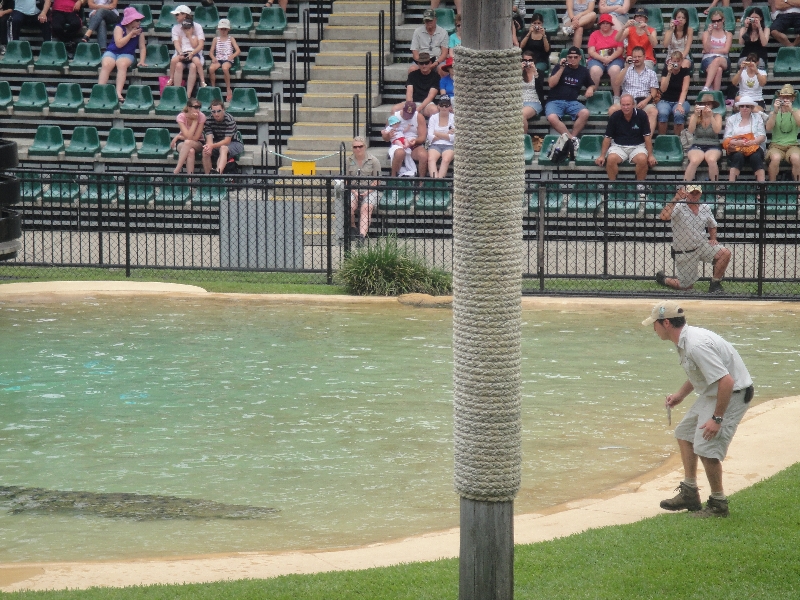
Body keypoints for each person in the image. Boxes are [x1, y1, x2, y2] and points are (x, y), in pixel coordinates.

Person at [643, 299, 753, 518]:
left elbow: (727, 381)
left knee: (706, 446)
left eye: (654, 324)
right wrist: (680, 396)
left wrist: (717, 419)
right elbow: (701, 373)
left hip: (732, 394)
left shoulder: (695, 344)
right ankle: (690, 492)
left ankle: (718, 505)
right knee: (684, 434)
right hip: (714, 392)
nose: (652, 329)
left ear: (665, 323)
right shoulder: (684, 340)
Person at [655, 185, 731, 292]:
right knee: (685, 287)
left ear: (700, 193)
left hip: (702, 245)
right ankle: (664, 279)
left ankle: (715, 283)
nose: (694, 196)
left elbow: (712, 224)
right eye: (692, 193)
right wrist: (676, 199)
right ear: (687, 193)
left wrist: (713, 238)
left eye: (697, 193)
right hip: (685, 251)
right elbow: (663, 217)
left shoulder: (705, 207)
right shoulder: (679, 206)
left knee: (725, 253)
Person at [596, 93, 656, 183]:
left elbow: (647, 137)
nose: (625, 107)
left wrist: (650, 156)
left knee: (643, 159)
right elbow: (607, 137)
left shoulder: (642, 115)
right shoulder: (615, 116)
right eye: (623, 105)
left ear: (633, 105)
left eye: (628, 104)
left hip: (638, 146)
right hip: (618, 146)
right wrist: (602, 156)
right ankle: (613, 185)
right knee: (611, 159)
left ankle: (640, 185)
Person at [546, 46, 595, 146]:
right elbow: (551, 84)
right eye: (570, 57)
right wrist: (561, 68)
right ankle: (571, 139)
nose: (572, 59)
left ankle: (572, 138)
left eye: (575, 57)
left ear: (580, 58)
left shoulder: (583, 70)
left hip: (572, 101)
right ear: (567, 57)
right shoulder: (559, 67)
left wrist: (590, 89)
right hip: (555, 100)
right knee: (551, 117)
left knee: (585, 113)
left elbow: (591, 84)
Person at [98, 6, 147, 104]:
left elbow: (142, 47)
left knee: (122, 64)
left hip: (127, 54)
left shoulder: (140, 31)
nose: (139, 22)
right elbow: (119, 44)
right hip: (112, 51)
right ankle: (99, 91)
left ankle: (118, 92)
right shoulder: (119, 27)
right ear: (130, 21)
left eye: (139, 20)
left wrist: (142, 60)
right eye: (137, 20)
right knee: (107, 64)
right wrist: (130, 34)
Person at [608, 46, 658, 135]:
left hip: (643, 101)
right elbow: (616, 83)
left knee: (653, 111)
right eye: (635, 57)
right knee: (612, 110)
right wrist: (627, 67)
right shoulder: (625, 70)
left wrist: (645, 101)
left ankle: (647, 140)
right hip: (627, 102)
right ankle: (617, 137)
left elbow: (654, 92)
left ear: (644, 56)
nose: (637, 59)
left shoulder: (651, 73)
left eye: (639, 57)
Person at [346, 136, 382, 242]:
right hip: (353, 189)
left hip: (370, 189)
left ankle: (362, 235)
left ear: (365, 147)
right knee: (350, 207)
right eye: (355, 147)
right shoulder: (348, 160)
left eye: (360, 146)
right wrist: (353, 190)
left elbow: (377, 180)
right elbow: (346, 179)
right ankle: (353, 226)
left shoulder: (373, 160)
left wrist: (367, 191)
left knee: (366, 208)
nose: (358, 149)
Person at [723, 99, 766, 183]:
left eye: (747, 106)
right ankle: (732, 187)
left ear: (751, 108)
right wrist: (737, 143)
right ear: (739, 108)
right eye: (742, 106)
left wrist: (753, 142)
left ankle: (761, 190)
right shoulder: (731, 119)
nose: (744, 108)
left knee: (756, 157)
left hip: (754, 146)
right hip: (737, 147)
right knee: (737, 157)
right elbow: (726, 138)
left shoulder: (758, 118)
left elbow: (762, 136)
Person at [684, 93, 724, 182]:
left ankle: (715, 187)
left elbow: (717, 130)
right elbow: (690, 130)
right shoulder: (695, 116)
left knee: (711, 160)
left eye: (708, 104)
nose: (706, 106)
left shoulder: (717, 116)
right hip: (697, 144)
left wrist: (710, 116)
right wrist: (695, 115)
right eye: (704, 104)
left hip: (713, 144)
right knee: (694, 160)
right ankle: (684, 187)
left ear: (712, 105)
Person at [382, 101, 427, 178]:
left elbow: (422, 137)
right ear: (403, 109)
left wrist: (415, 141)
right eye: (406, 113)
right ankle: (393, 177)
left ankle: (421, 182)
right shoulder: (394, 117)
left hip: (413, 142)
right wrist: (388, 136)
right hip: (397, 142)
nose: (408, 116)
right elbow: (385, 138)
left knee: (423, 155)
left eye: (410, 114)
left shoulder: (419, 117)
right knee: (400, 153)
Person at [765, 84, 800, 182]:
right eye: (783, 97)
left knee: (796, 158)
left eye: (788, 97)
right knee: (775, 158)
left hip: (792, 145)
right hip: (776, 145)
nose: (785, 99)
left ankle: (798, 187)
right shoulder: (774, 113)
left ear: (793, 99)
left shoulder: (797, 112)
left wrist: (791, 110)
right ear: (779, 98)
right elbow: (768, 127)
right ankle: (772, 185)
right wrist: (775, 111)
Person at [167, 5, 205, 93]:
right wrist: (180, 52)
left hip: (195, 54)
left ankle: (188, 94)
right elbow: (176, 43)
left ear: (184, 15)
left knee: (193, 66)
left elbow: (200, 45)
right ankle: (177, 92)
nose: (175, 16)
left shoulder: (197, 26)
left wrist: (192, 53)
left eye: (177, 14)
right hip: (182, 53)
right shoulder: (175, 28)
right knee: (178, 66)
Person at [587, 13, 624, 103]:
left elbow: (620, 50)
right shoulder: (594, 34)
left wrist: (610, 58)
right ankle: (593, 95)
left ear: (611, 24)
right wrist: (603, 59)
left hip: (615, 58)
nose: (605, 25)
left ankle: (616, 97)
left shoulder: (617, 34)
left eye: (607, 23)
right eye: (603, 23)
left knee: (615, 70)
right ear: (599, 24)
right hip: (597, 58)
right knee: (595, 70)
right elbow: (591, 51)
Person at [202, 99, 244, 175]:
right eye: (213, 111)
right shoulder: (208, 120)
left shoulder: (229, 119)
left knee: (223, 148)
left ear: (223, 110)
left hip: (234, 142)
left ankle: (217, 175)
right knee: (205, 151)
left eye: (219, 111)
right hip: (217, 142)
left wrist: (212, 146)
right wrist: (209, 147)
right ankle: (208, 177)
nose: (216, 114)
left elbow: (227, 141)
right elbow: (209, 138)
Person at [393, 51, 440, 118]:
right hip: (413, 102)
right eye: (421, 63)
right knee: (395, 109)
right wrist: (410, 106)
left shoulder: (436, 76)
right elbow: (409, 93)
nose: (424, 65)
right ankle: (391, 128)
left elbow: (430, 96)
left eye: (426, 63)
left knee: (434, 110)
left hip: (427, 104)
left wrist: (418, 108)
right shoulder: (412, 75)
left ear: (430, 63)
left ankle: (432, 128)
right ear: (418, 64)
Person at [656, 51, 691, 135]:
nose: (676, 63)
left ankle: (678, 141)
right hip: (665, 100)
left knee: (679, 114)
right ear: (670, 61)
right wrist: (669, 73)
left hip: (680, 100)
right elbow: (663, 89)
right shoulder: (666, 71)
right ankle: (663, 140)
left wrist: (679, 104)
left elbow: (684, 90)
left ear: (681, 61)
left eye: (678, 61)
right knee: (663, 113)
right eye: (674, 61)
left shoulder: (685, 72)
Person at [519, 12, 550, 103]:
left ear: (542, 24)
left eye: (539, 23)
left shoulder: (546, 34)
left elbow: (547, 49)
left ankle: (539, 97)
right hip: (527, 59)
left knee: (538, 71)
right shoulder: (526, 33)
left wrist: (544, 35)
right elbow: (521, 46)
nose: (537, 25)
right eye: (535, 23)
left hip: (540, 60)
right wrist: (529, 33)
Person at [171, 97, 206, 175]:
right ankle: (190, 181)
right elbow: (188, 136)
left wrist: (195, 121)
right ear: (189, 107)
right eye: (196, 107)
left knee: (188, 142)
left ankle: (177, 170)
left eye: (199, 107)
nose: (198, 110)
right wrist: (182, 138)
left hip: (198, 142)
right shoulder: (181, 116)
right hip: (183, 141)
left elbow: (195, 138)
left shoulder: (201, 116)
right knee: (190, 151)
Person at [208, 19, 241, 102]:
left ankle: (228, 88)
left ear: (228, 29)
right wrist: (213, 58)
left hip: (227, 59)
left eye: (225, 29)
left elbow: (238, 50)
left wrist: (232, 56)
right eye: (222, 29)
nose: (223, 31)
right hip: (218, 59)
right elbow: (211, 52)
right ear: (219, 29)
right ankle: (213, 87)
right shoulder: (216, 39)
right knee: (211, 69)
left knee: (225, 68)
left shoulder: (231, 38)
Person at [700, 8, 732, 92]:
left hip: (723, 58)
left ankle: (706, 87)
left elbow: (726, 50)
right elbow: (707, 49)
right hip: (708, 59)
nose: (716, 23)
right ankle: (716, 95)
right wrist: (710, 34)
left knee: (717, 60)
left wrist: (712, 50)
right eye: (714, 21)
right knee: (718, 70)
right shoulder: (706, 33)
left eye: (719, 20)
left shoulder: (728, 34)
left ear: (723, 20)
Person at [427, 95, 455, 178]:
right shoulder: (433, 118)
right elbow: (430, 137)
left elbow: (453, 138)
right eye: (442, 105)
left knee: (445, 160)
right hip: (435, 144)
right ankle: (436, 181)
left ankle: (439, 181)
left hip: (450, 145)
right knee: (431, 159)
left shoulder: (454, 118)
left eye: (446, 105)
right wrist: (447, 133)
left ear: (450, 106)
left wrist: (437, 133)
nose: (444, 107)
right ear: (438, 106)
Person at [521, 51, 541, 133]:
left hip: (533, 102)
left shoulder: (538, 72)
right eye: (525, 60)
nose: (527, 62)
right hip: (519, 101)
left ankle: (523, 140)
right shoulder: (517, 72)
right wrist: (519, 71)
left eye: (530, 60)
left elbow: (540, 88)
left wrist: (535, 72)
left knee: (521, 115)